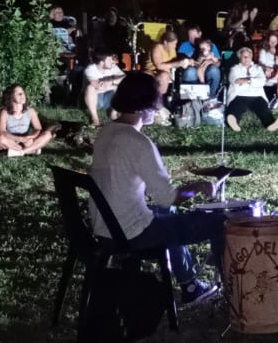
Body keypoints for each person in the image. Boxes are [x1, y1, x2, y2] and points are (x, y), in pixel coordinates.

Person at [88, 72, 218, 304]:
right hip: (132, 232)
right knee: (217, 222)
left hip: (104, 227)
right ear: (148, 103)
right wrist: (198, 187)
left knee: (167, 215)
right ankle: (236, 290)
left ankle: (189, 286)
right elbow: (170, 197)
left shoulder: (106, 132)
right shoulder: (139, 143)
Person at [225, 47, 278, 132]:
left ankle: (271, 124)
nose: (246, 59)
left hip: (257, 95)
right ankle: (233, 122)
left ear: (251, 58)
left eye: (248, 57)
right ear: (240, 58)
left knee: (263, 109)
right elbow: (233, 80)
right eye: (244, 57)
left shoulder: (258, 68)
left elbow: (262, 81)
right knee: (236, 108)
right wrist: (253, 81)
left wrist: (247, 80)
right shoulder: (235, 68)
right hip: (239, 95)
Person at [0, 84, 56, 155]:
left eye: (23, 93)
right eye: (18, 93)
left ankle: (21, 152)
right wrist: (20, 139)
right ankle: (32, 150)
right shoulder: (4, 112)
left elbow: (38, 129)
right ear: (11, 96)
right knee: (0, 139)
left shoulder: (31, 111)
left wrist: (30, 137)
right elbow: (2, 132)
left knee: (48, 134)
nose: (22, 95)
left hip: (27, 141)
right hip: (13, 141)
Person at [176, 25, 221, 97]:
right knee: (190, 72)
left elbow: (218, 63)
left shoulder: (209, 45)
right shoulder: (184, 45)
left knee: (214, 70)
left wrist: (211, 61)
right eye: (190, 37)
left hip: (207, 69)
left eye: (194, 36)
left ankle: (210, 97)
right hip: (192, 69)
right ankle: (190, 100)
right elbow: (179, 60)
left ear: (200, 34)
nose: (192, 39)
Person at [84, 50, 125, 126]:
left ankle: (113, 114)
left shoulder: (113, 67)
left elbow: (125, 78)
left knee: (122, 87)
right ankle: (95, 118)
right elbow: (97, 86)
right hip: (94, 100)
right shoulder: (90, 69)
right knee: (90, 88)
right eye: (109, 60)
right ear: (101, 62)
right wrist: (113, 85)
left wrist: (111, 81)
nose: (112, 62)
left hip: (107, 97)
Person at [146, 30, 185, 100]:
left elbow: (174, 61)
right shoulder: (157, 48)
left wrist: (184, 61)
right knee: (164, 76)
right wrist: (176, 64)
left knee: (165, 76)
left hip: (165, 73)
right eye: (173, 44)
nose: (175, 46)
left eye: (175, 44)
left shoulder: (172, 49)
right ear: (165, 42)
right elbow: (159, 65)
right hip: (151, 72)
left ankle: (161, 99)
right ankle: (156, 100)